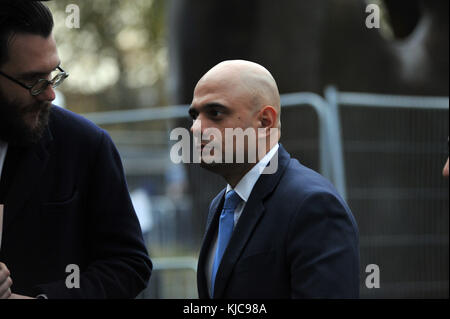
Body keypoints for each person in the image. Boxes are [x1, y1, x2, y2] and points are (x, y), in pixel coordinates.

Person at [0, 1, 152, 299]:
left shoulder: (85, 145)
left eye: (53, 73)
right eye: (33, 80)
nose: (50, 93)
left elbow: (128, 264)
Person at [190, 60, 360, 298]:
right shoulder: (220, 205)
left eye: (215, 113)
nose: (196, 128)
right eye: (194, 115)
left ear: (265, 121)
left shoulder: (313, 205)